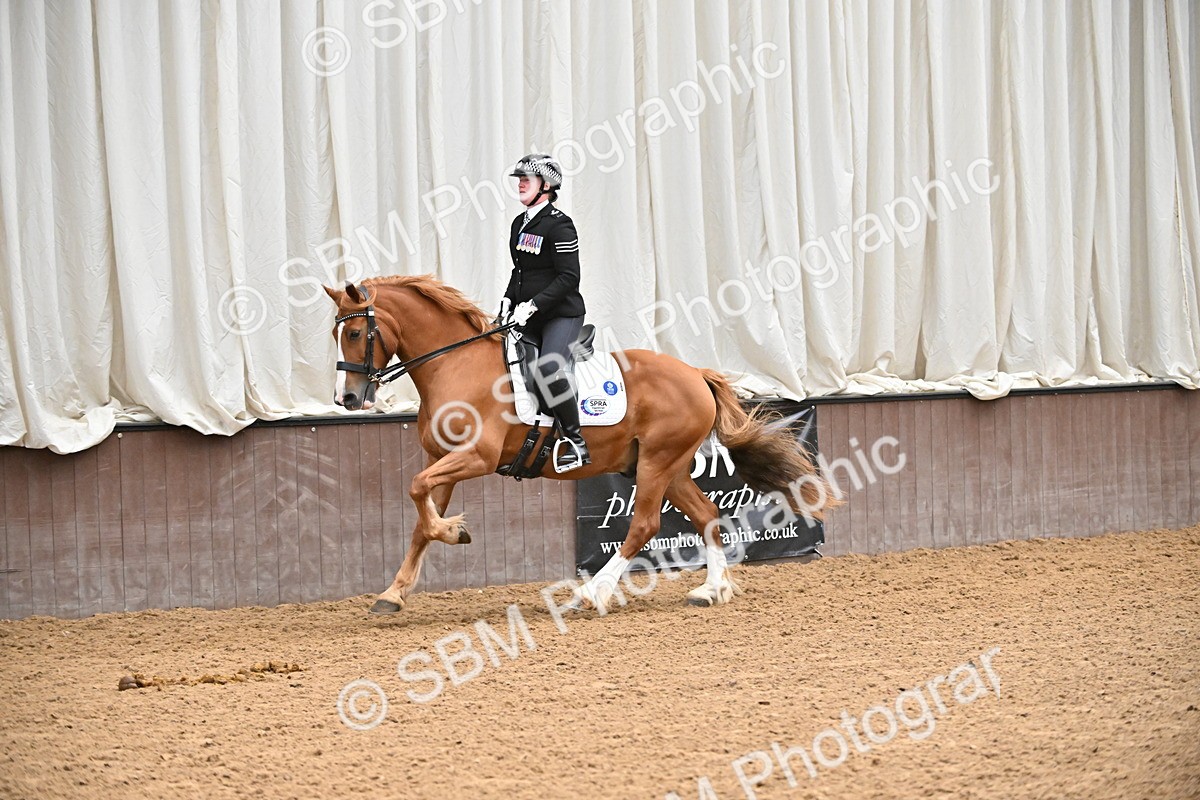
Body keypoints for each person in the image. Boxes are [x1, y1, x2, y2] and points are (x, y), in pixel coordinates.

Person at [499, 153, 590, 473]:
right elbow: (520, 271)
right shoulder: (519, 223)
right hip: (527, 316)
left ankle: (576, 441)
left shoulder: (560, 225)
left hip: (561, 315)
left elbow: (569, 277)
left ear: (547, 186)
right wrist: (508, 301)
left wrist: (534, 304)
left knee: (549, 371)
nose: (521, 183)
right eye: (519, 178)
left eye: (527, 178)